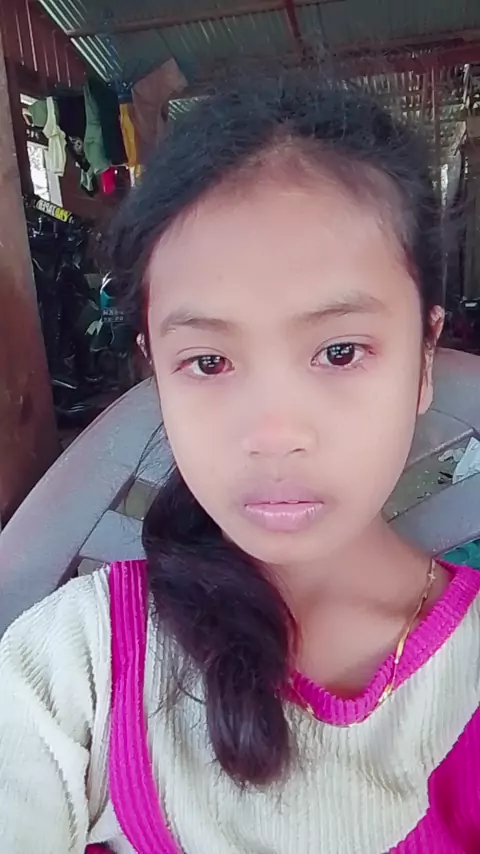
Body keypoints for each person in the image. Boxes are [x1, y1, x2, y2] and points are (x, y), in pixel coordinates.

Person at [1, 67, 479, 854]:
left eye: (340, 350)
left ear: (424, 357)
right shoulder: (77, 664)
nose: (274, 433)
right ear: (157, 370)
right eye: (209, 362)